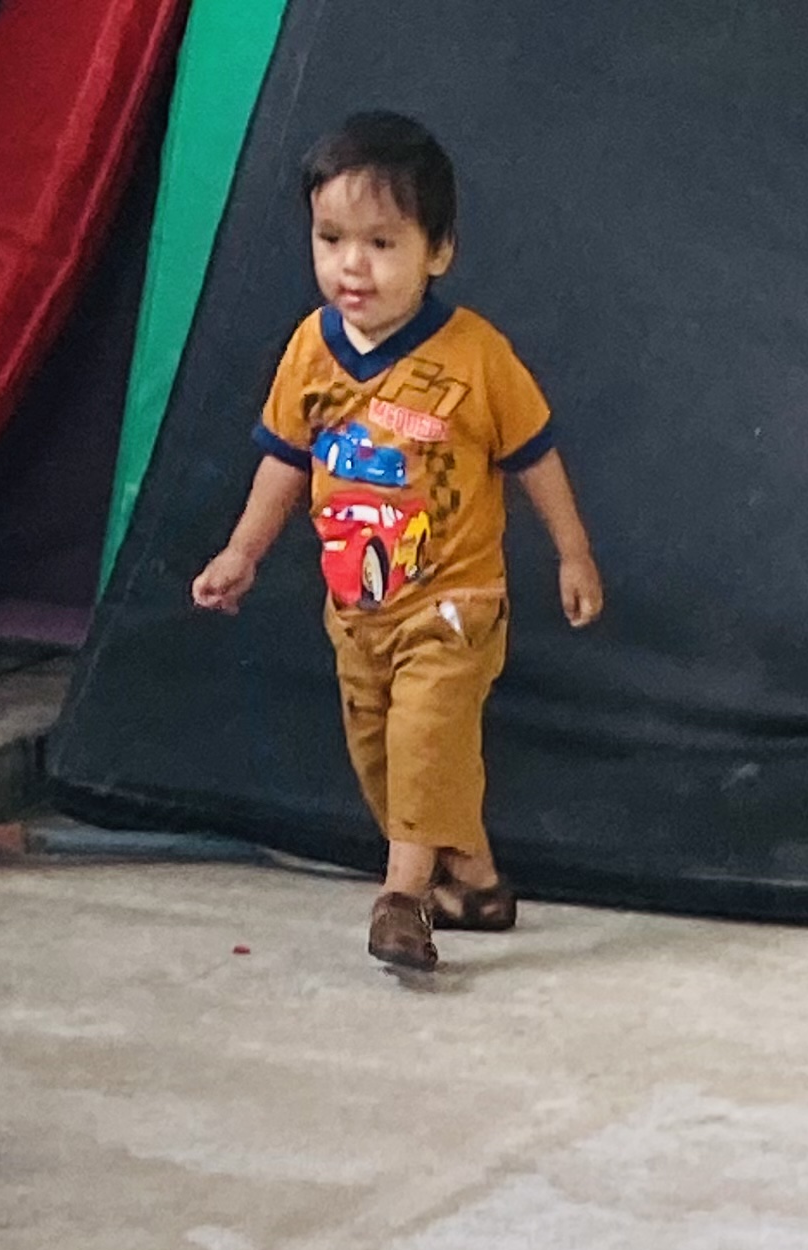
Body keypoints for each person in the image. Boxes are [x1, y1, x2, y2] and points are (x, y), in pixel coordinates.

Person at [191, 110, 603, 975]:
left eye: (381, 243)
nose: (353, 265)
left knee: (425, 740)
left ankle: (402, 899)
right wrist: (242, 552)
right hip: (357, 610)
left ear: (438, 250)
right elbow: (284, 459)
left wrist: (573, 553)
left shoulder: (476, 357)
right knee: (386, 759)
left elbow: (535, 455)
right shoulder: (311, 350)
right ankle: (475, 882)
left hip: (454, 604)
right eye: (331, 239)